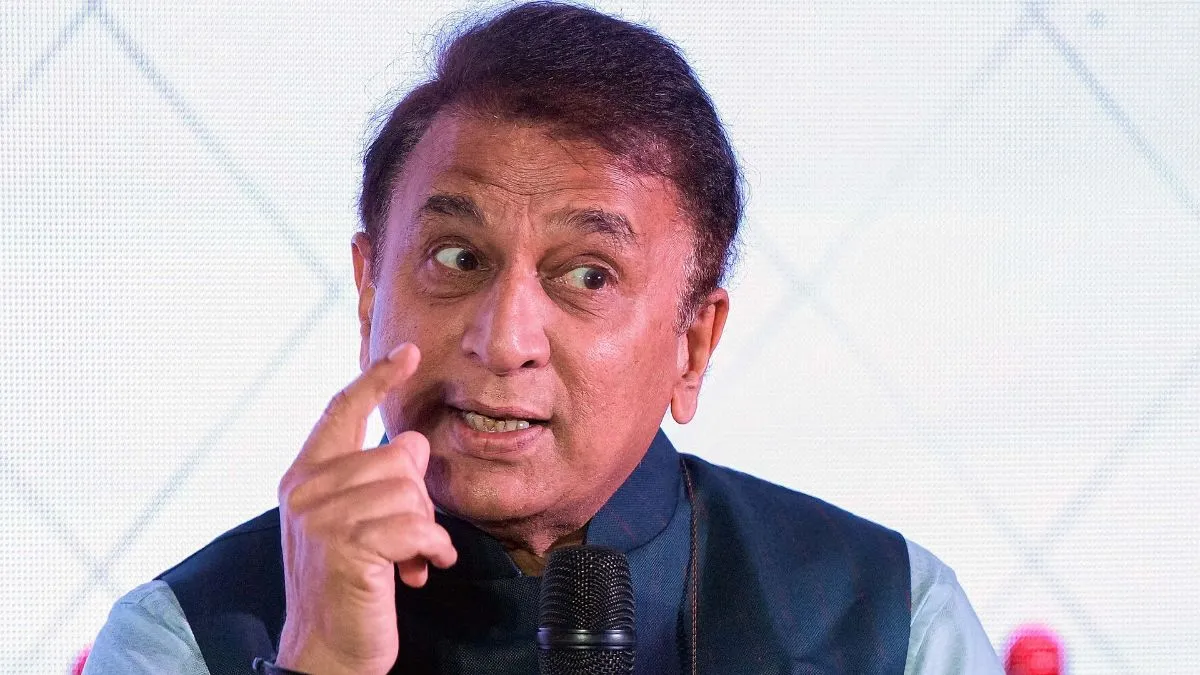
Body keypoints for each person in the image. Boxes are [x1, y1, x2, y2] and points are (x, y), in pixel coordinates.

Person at [84, 3, 1001, 673]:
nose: (505, 338)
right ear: (369, 292)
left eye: (588, 275)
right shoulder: (187, 636)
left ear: (693, 344)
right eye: (456, 257)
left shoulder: (888, 620)